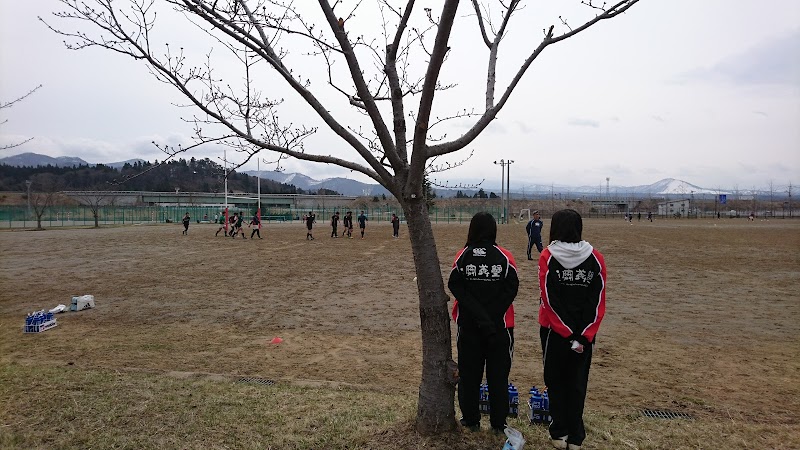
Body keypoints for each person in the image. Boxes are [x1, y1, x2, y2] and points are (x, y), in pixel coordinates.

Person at [537, 209, 606, 450]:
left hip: (554, 332)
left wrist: (565, 332)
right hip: (584, 335)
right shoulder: (595, 257)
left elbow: (549, 299)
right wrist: (583, 335)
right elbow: (596, 302)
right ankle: (576, 436)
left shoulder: (548, 255)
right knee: (577, 381)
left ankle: (561, 432)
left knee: (555, 380)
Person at [448, 212, 519, 435]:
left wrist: (479, 317)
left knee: (469, 376)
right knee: (498, 377)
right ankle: (498, 424)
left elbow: (455, 286)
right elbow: (511, 289)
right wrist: (491, 319)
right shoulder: (505, 257)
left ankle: (471, 420)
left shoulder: (463, 256)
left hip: (469, 328)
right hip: (500, 328)